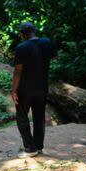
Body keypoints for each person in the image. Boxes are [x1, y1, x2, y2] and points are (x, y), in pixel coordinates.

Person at [11, 22, 56, 157]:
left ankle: (30, 148)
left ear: (23, 34)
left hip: (25, 89)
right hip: (42, 88)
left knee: (22, 117)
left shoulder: (22, 47)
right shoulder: (47, 42)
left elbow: (18, 71)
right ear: (34, 31)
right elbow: (54, 57)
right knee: (39, 118)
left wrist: (14, 90)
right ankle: (38, 146)